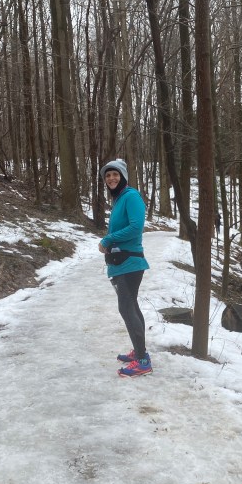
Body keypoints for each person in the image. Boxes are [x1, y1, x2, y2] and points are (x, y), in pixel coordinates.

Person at [98, 159, 152, 377]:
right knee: (131, 306)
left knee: (127, 308)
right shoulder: (120, 199)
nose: (111, 178)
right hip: (121, 261)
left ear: (123, 177)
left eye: (115, 174)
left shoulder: (131, 196)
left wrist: (108, 239)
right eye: (108, 175)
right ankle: (140, 352)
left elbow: (136, 227)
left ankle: (143, 361)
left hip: (129, 262)